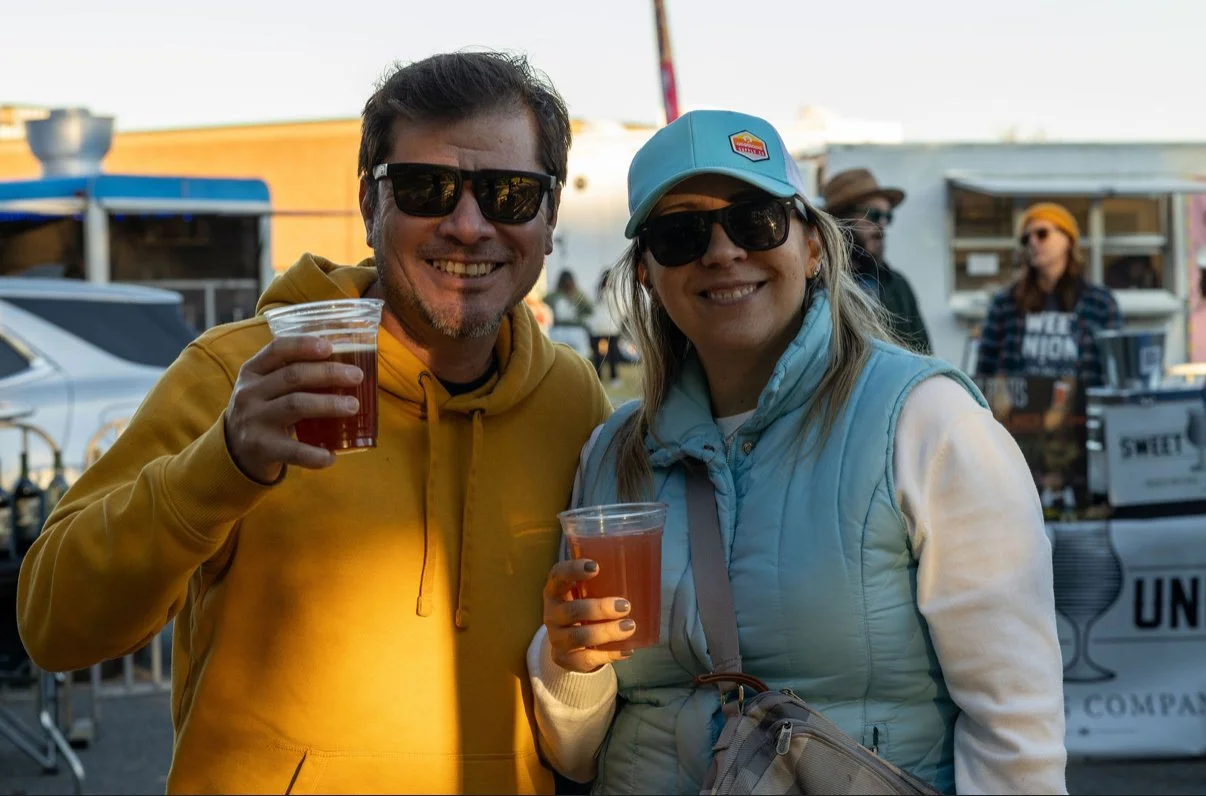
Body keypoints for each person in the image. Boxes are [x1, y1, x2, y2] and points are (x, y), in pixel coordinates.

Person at [17, 51, 611, 795]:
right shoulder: (240, 375)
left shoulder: (573, 402)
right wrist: (223, 464)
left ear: (551, 218)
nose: (467, 225)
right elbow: (54, 626)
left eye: (509, 195)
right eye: (427, 188)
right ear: (369, 205)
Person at [527, 110, 1067, 794]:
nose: (722, 252)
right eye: (680, 233)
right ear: (646, 275)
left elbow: (1016, 728)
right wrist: (569, 664)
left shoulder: (927, 422)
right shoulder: (612, 454)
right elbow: (576, 755)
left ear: (812, 245)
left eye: (756, 220)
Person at [975, 202, 1122, 386]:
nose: (1033, 242)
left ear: (1067, 240)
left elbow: (1114, 370)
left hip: (1082, 411)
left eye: (1042, 234)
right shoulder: (1005, 303)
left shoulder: (1100, 303)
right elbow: (984, 372)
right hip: (1016, 412)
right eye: (1026, 239)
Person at [821, 168, 932, 353]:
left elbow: (926, 358)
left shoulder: (898, 285)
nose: (882, 225)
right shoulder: (815, 284)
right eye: (873, 215)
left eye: (887, 217)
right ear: (839, 218)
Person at [589, 267, 624, 386]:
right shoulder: (614, 294)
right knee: (612, 353)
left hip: (597, 328)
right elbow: (622, 309)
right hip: (611, 329)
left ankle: (598, 377)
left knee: (598, 354)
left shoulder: (595, 292)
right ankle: (614, 378)